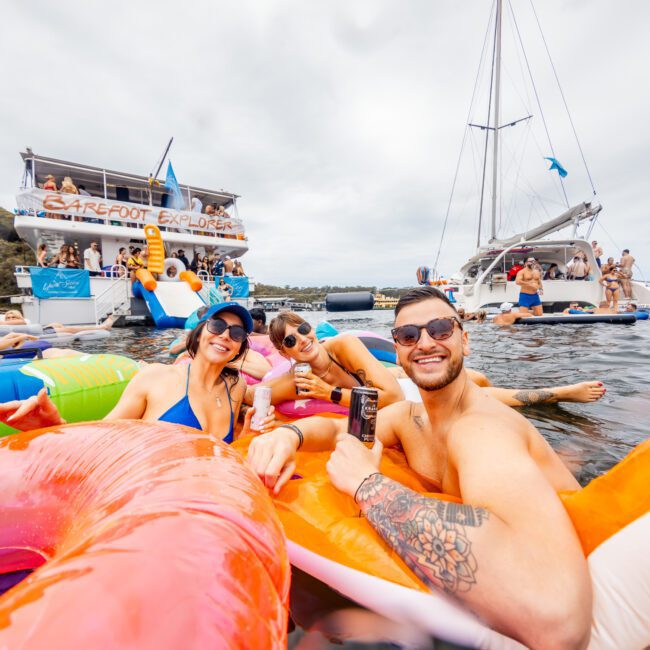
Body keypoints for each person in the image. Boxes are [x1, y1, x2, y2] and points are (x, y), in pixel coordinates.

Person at [250, 287, 592, 648]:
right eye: (409, 335)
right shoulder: (409, 419)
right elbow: (338, 426)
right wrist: (288, 435)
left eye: (441, 329)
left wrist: (367, 485)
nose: (425, 343)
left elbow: (559, 623)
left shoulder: (482, 431)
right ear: (397, 350)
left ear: (465, 340)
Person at [0, 304, 274, 444]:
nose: (225, 335)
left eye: (236, 332)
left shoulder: (234, 388)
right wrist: (53, 429)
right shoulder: (156, 377)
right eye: (217, 325)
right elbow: (103, 436)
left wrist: (243, 438)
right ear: (199, 332)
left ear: (239, 347)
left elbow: (219, 451)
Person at [247, 312, 404, 410]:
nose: (302, 339)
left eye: (303, 329)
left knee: (399, 372)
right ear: (283, 352)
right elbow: (249, 395)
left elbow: (395, 397)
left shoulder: (345, 346)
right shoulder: (300, 381)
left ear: (312, 329)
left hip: (371, 358)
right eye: (290, 340)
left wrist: (328, 392)